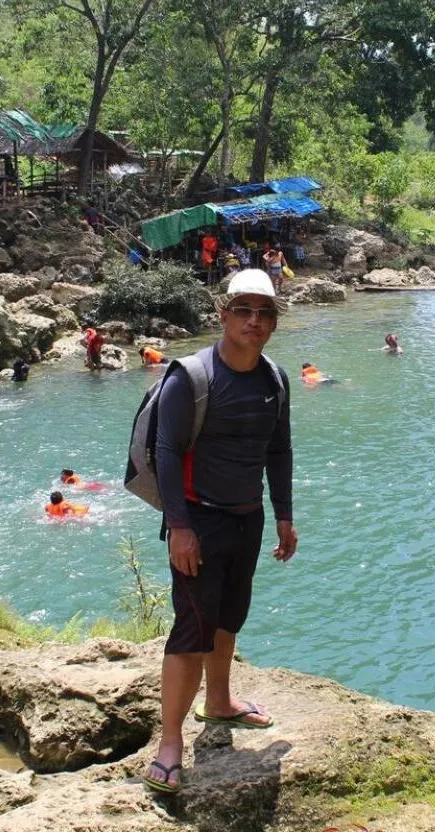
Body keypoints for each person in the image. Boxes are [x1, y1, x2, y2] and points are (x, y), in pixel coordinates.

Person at [143, 267, 297, 796]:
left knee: (230, 613)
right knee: (192, 627)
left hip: (246, 516)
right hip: (198, 518)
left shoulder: (274, 379)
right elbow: (165, 452)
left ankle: (220, 703)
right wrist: (179, 527)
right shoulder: (191, 376)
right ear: (223, 314)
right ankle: (169, 743)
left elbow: (279, 450)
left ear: (274, 323)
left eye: (264, 313)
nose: (254, 322)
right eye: (244, 311)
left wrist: (283, 513)